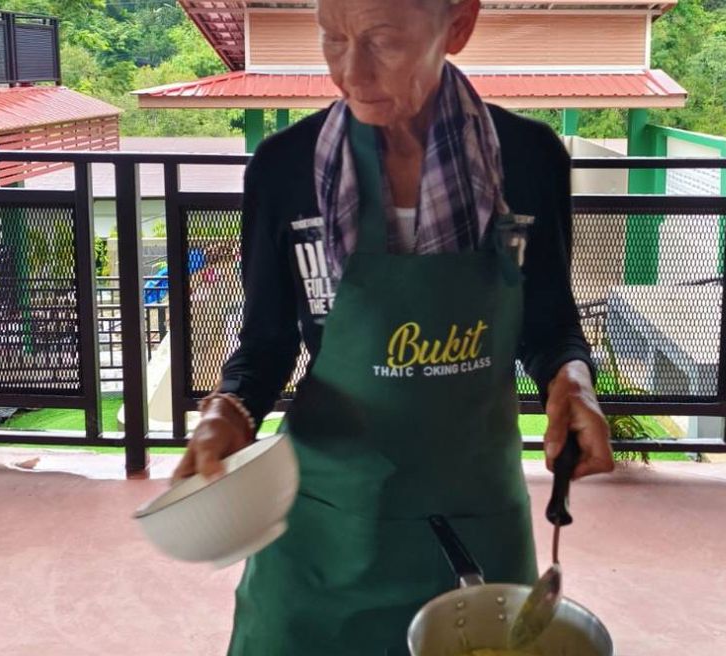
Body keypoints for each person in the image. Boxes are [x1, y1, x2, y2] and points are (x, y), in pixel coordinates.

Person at [172, 0, 613, 653]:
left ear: (457, 25)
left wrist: (572, 380)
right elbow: (265, 347)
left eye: (383, 41)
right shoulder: (284, 168)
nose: (351, 73)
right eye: (331, 39)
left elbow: (549, 324)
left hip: (476, 515)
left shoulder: (529, 160)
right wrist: (228, 411)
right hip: (324, 531)